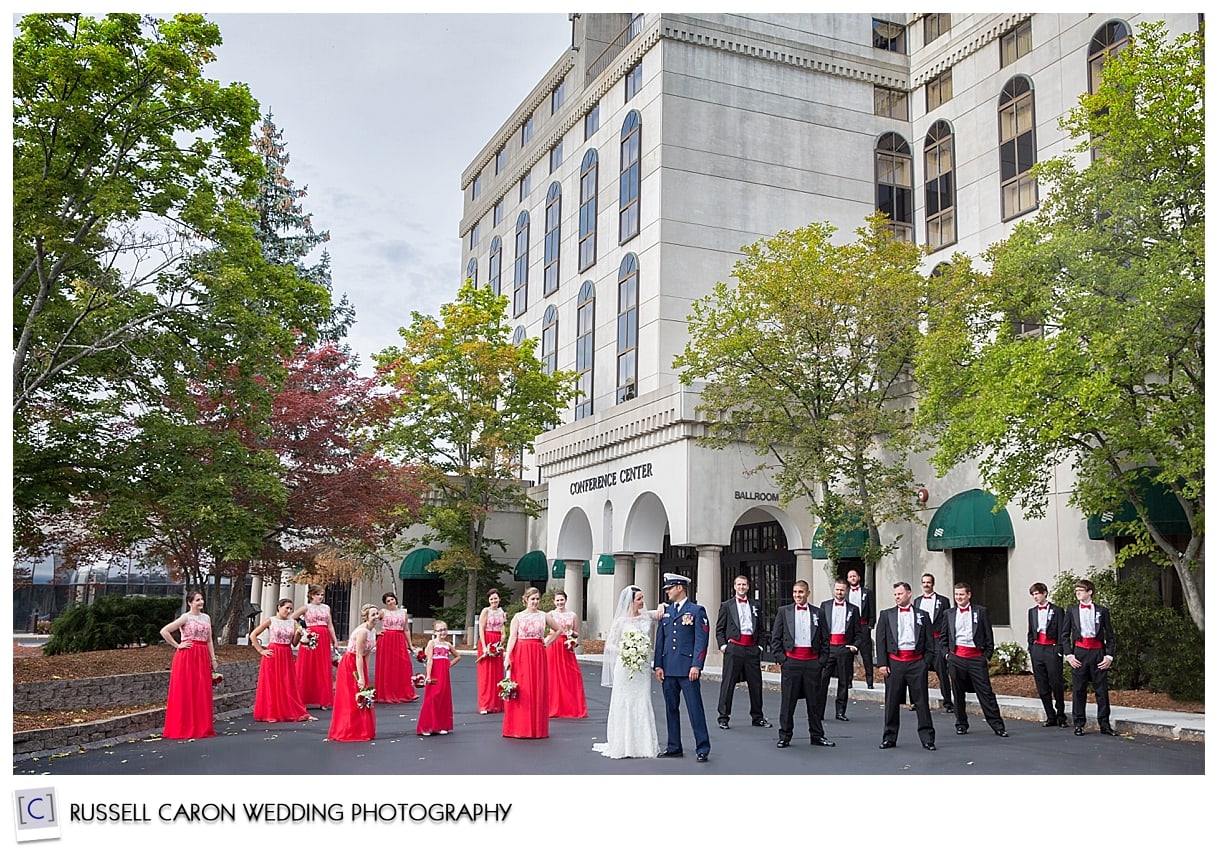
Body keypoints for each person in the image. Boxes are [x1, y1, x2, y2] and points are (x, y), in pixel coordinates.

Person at [594, 585, 663, 758]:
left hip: (642, 667)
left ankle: (644, 745)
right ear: (630, 601)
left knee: (642, 699)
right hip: (625, 665)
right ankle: (622, 744)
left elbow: (663, 609)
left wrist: (662, 605)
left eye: (642, 598)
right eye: (639, 599)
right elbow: (609, 644)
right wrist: (625, 650)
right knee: (623, 700)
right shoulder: (621, 621)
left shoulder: (646, 616)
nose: (642, 602)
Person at [770, 580, 836, 749]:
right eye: (795, 592)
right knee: (788, 702)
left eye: (800, 592)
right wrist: (782, 660)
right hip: (791, 662)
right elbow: (775, 639)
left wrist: (821, 661)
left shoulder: (818, 613)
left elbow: (825, 640)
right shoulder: (784, 612)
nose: (797, 595)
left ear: (808, 593)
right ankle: (784, 736)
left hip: (812, 662)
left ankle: (817, 735)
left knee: (814, 702)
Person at [653, 572, 712, 762]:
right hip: (669, 668)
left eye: (669, 588)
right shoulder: (666, 612)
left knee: (695, 709)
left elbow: (701, 641)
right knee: (671, 709)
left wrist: (697, 665)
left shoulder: (696, 611)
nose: (667, 592)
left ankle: (702, 747)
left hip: (688, 669)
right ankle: (674, 746)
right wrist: (658, 665)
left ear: (679, 587)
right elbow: (660, 640)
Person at [875, 581, 936, 751]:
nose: (897, 597)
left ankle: (927, 738)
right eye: (895, 594)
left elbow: (930, 642)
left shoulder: (922, 615)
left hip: (916, 662)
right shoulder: (886, 615)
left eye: (900, 594)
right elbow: (881, 641)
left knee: (921, 701)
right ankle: (889, 737)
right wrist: (882, 663)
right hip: (895, 663)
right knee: (892, 702)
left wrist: (925, 663)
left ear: (909, 594)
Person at [945, 583, 1008, 737]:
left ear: (969, 595)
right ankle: (961, 724)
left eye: (961, 594)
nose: (959, 597)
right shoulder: (948, 613)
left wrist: (985, 657)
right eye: (956, 594)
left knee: (986, 693)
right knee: (958, 694)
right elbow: (943, 638)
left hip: (976, 658)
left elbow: (988, 637)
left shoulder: (981, 612)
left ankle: (998, 726)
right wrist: (947, 655)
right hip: (957, 658)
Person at [502, 587, 561, 739]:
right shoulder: (518, 617)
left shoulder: (544, 616)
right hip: (521, 653)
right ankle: (520, 727)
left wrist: (548, 642)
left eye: (537, 599)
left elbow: (559, 630)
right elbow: (512, 637)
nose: (535, 602)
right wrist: (508, 656)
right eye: (532, 599)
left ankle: (536, 727)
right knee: (523, 689)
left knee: (537, 687)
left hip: (538, 653)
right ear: (526, 600)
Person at [714, 574, 771, 730]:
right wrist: (723, 646)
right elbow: (719, 629)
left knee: (756, 684)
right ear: (734, 586)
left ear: (748, 586)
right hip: (734, 648)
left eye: (744, 585)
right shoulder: (727, 605)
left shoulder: (755, 605)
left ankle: (757, 717)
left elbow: (760, 629)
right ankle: (723, 717)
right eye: (739, 585)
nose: (742, 587)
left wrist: (759, 647)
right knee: (728, 683)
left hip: (751, 648)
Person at [160, 591, 218, 740]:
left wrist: (213, 659)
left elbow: (209, 640)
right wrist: (178, 645)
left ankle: (201, 726)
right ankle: (183, 726)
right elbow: (165, 631)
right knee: (186, 689)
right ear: (190, 602)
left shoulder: (206, 617)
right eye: (197, 600)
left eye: (202, 599)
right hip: (187, 656)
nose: (201, 602)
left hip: (202, 655)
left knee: (201, 690)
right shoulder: (185, 617)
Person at [1063, 579, 1116, 736]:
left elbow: (1111, 636)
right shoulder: (1072, 611)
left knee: (1101, 690)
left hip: (1098, 652)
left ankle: (1104, 725)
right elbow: (1064, 635)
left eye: (1081, 589)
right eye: (1076, 590)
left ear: (1090, 592)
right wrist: (1069, 655)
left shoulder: (1102, 611)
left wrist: (1109, 656)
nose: (1077, 592)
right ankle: (1079, 723)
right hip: (1079, 652)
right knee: (1079, 690)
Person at [249, 598, 313, 723]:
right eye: (286, 608)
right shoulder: (270, 620)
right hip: (273, 653)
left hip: (286, 653)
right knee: (272, 684)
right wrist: (261, 650)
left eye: (290, 609)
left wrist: (299, 635)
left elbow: (294, 644)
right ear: (279, 607)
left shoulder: (293, 622)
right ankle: (271, 713)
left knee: (287, 683)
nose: (288, 611)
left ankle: (290, 710)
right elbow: (253, 635)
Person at [327, 603, 379, 742]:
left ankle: (361, 728)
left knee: (363, 694)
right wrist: (361, 677)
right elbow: (358, 655)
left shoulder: (373, 631)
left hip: (360, 662)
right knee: (352, 695)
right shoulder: (362, 632)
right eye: (372, 615)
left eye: (376, 614)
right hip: (350, 663)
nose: (376, 617)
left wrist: (365, 674)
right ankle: (348, 729)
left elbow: (367, 653)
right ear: (366, 617)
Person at [817, 578, 861, 722]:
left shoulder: (853, 609)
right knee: (823, 681)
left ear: (846, 591)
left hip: (844, 648)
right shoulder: (825, 606)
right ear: (834, 590)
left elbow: (858, 633)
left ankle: (840, 712)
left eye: (842, 590)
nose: (839, 592)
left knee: (843, 681)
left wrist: (854, 646)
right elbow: (819, 629)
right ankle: (819, 711)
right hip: (828, 647)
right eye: (837, 589)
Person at [1027, 582, 1068, 727]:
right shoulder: (1032, 612)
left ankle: (1061, 715)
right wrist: (1031, 647)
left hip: (1051, 648)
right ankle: (1050, 715)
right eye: (1033, 594)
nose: (1036, 597)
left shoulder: (1057, 610)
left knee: (1056, 683)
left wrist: (1059, 649)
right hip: (1038, 649)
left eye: (1037, 593)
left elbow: (1062, 633)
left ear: (1045, 593)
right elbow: (1031, 632)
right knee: (1042, 684)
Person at [292, 588, 338, 709]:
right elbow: (292, 618)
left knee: (322, 666)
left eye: (322, 595)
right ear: (311, 595)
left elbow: (330, 625)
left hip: (323, 637)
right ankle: (303, 699)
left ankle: (323, 700)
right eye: (317, 594)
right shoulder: (306, 607)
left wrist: (334, 640)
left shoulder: (326, 608)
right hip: (310, 636)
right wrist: (301, 630)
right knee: (307, 666)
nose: (320, 597)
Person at [544, 590, 588, 718]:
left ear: (565, 600)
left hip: (566, 645)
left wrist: (571, 634)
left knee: (571, 675)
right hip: (553, 644)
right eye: (557, 600)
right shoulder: (550, 614)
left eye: (561, 600)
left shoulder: (572, 615)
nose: (559, 603)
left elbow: (577, 633)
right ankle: (552, 706)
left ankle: (571, 706)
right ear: (554, 601)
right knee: (552, 675)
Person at [415, 619, 461, 736]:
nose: (442, 632)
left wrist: (448, 665)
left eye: (444, 629)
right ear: (434, 631)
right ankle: (427, 726)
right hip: (434, 673)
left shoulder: (448, 645)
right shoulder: (432, 643)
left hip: (444, 674)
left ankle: (441, 725)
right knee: (432, 698)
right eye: (440, 630)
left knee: (442, 698)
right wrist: (428, 675)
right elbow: (429, 660)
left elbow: (458, 657)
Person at [917, 572, 954, 712]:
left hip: (938, 640)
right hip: (923, 643)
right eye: (924, 582)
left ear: (933, 584)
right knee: (920, 672)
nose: (926, 584)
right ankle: (918, 702)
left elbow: (947, 623)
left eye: (929, 582)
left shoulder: (943, 601)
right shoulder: (917, 601)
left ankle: (948, 702)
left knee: (942, 672)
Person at [375, 591, 418, 704]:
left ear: (395, 599)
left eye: (392, 599)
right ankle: (386, 693)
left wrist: (410, 645)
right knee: (387, 666)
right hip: (386, 639)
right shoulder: (382, 612)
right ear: (385, 603)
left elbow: (406, 630)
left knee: (403, 664)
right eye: (388, 601)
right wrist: (376, 631)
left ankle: (404, 692)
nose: (390, 602)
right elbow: (370, 620)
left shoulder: (403, 613)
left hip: (399, 639)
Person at [476, 589, 507, 715]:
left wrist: (501, 643)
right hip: (487, 639)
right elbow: (481, 629)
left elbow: (503, 629)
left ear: (499, 599)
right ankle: (485, 704)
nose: (494, 601)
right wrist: (484, 646)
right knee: (486, 674)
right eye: (491, 599)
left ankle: (497, 703)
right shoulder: (486, 611)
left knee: (497, 673)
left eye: (496, 598)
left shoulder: (502, 612)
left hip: (497, 641)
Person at [845, 568, 876, 688]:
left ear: (859, 577)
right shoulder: (846, 593)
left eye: (854, 576)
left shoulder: (867, 593)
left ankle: (869, 682)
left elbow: (872, 611)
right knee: (848, 657)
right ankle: (848, 681)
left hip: (863, 627)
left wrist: (869, 626)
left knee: (867, 656)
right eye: (850, 576)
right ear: (848, 579)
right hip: (850, 629)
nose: (853, 578)